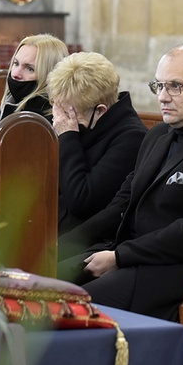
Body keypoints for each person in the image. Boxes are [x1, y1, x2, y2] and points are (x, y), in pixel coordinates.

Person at [58, 45, 183, 321]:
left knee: (69, 309)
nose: (163, 97)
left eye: (175, 86)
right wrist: (62, 246)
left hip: (171, 270)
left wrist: (120, 257)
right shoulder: (158, 134)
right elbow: (122, 204)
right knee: (37, 282)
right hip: (126, 254)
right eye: (158, 85)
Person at [47, 52, 148, 238]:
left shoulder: (132, 138)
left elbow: (82, 202)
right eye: (57, 110)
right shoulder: (77, 123)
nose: (59, 120)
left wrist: (68, 136)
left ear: (100, 110)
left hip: (84, 243)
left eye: (69, 114)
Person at [0, 34, 68, 147]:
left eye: (29, 68)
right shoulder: (5, 109)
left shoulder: (47, 123)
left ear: (49, 75)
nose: (15, 74)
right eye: (15, 63)